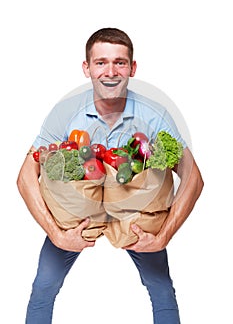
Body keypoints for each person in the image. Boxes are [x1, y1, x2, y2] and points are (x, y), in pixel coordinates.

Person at [17, 27, 204, 324]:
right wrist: (56, 233)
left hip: (135, 216)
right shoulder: (65, 113)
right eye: (101, 62)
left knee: (161, 289)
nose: (110, 71)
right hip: (81, 216)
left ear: (132, 68)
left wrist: (163, 236)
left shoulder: (154, 114)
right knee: (44, 286)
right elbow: (26, 174)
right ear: (86, 68)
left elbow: (193, 177)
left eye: (120, 62)